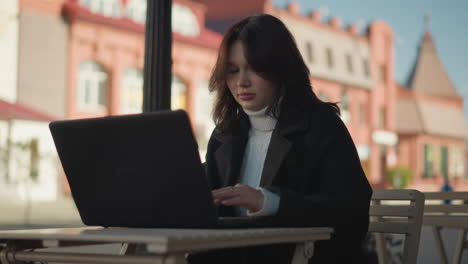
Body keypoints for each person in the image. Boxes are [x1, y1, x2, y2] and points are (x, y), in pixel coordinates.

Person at [188, 14, 372, 264]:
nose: (241, 81)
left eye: (254, 68)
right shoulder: (225, 135)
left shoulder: (320, 126)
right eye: (232, 70)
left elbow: (352, 213)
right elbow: (206, 216)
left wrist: (269, 202)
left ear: (280, 69)